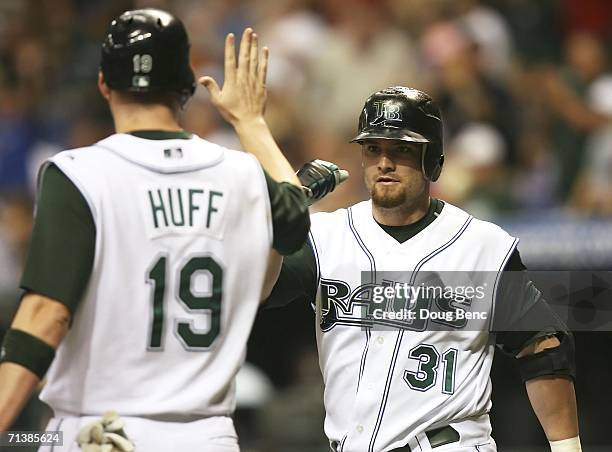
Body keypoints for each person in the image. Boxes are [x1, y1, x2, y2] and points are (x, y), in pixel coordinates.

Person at [0, 9, 320, 452]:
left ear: (103, 85)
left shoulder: (79, 174)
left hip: (101, 433)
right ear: (186, 89)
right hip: (205, 435)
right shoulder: (242, 174)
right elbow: (294, 218)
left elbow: (46, 315)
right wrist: (251, 123)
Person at [267, 86, 581, 452]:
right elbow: (249, 289)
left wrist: (568, 450)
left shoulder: (480, 246)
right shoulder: (325, 237)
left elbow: (544, 348)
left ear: (433, 160)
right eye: (373, 149)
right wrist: (284, 210)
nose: (384, 162)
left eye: (401, 149)